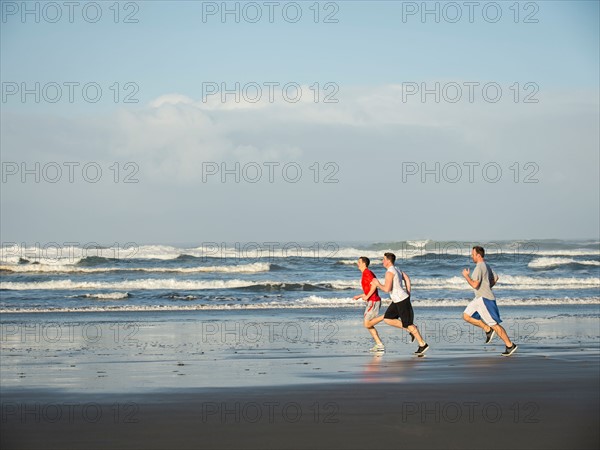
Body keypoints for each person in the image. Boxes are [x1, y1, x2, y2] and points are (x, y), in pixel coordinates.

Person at [462, 245, 518, 356]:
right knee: (466, 316)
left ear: (478, 255)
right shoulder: (486, 266)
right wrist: (487, 286)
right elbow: (496, 278)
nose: (471, 256)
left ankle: (510, 345)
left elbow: (474, 284)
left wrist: (466, 276)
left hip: (484, 299)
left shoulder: (479, 267)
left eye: (472, 254)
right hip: (478, 298)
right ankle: (487, 329)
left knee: (494, 324)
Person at [371, 252, 429, 355]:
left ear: (388, 261)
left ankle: (422, 344)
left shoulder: (389, 272)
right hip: (398, 300)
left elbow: (387, 289)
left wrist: (377, 284)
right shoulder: (397, 269)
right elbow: (407, 278)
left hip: (401, 301)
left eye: (383, 259)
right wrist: (408, 292)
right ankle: (410, 330)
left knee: (409, 324)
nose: (382, 261)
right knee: (388, 319)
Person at [353, 256, 386, 352]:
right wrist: (360, 296)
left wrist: (367, 297)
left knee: (367, 324)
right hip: (371, 301)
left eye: (359, 262)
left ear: (364, 263)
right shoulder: (365, 273)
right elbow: (369, 289)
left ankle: (386, 316)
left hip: (373, 301)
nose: (357, 263)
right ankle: (379, 344)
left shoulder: (367, 273)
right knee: (369, 324)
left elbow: (375, 285)